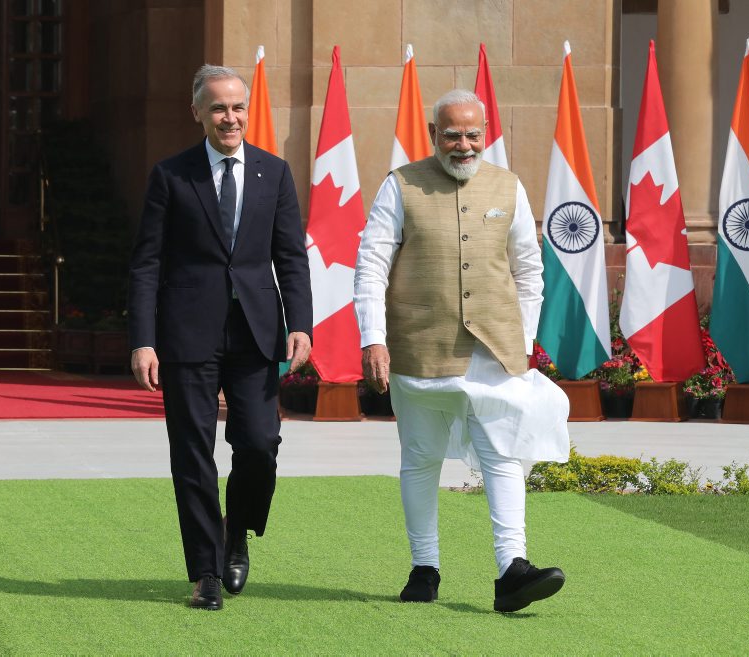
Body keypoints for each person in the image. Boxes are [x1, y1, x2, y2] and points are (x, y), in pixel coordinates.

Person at [354, 89, 571, 613]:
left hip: (495, 350)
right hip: (419, 348)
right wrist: (373, 338)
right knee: (421, 457)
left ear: (486, 133)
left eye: (473, 134)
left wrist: (522, 339)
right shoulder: (400, 184)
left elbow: (529, 270)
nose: (464, 144)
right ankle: (424, 567)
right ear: (434, 134)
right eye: (452, 134)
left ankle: (512, 570)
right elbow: (371, 266)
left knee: (503, 452)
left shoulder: (509, 185)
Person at [128, 65, 312, 611]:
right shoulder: (171, 175)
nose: (229, 118)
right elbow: (146, 263)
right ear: (198, 113)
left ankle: (238, 530)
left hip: (256, 332)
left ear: (246, 111)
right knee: (192, 453)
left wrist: (301, 323)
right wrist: (143, 339)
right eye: (218, 108)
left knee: (259, 443)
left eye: (237, 107)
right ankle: (205, 571)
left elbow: (290, 256)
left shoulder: (274, 172)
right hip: (186, 334)